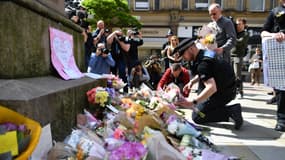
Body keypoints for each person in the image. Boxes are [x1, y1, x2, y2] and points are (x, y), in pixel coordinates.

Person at [174, 38, 243, 130]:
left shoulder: (203, 64)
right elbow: (208, 73)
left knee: (197, 116)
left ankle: (231, 111)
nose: (184, 58)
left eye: (183, 54)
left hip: (224, 93)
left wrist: (193, 102)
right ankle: (210, 106)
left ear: (190, 49)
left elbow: (211, 87)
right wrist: (192, 81)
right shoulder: (205, 53)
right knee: (200, 104)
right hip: (228, 87)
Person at [261, 0, 285, 132]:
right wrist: (274, 35)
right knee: (282, 88)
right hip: (280, 52)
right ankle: (282, 120)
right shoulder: (275, 11)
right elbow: (263, 32)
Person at [230, 17, 249, 98]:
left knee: (237, 75)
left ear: (244, 25)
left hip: (238, 56)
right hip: (230, 56)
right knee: (230, 75)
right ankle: (232, 91)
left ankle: (240, 91)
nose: (238, 26)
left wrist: (232, 37)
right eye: (237, 24)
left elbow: (240, 42)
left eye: (240, 24)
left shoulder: (245, 33)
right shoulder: (234, 32)